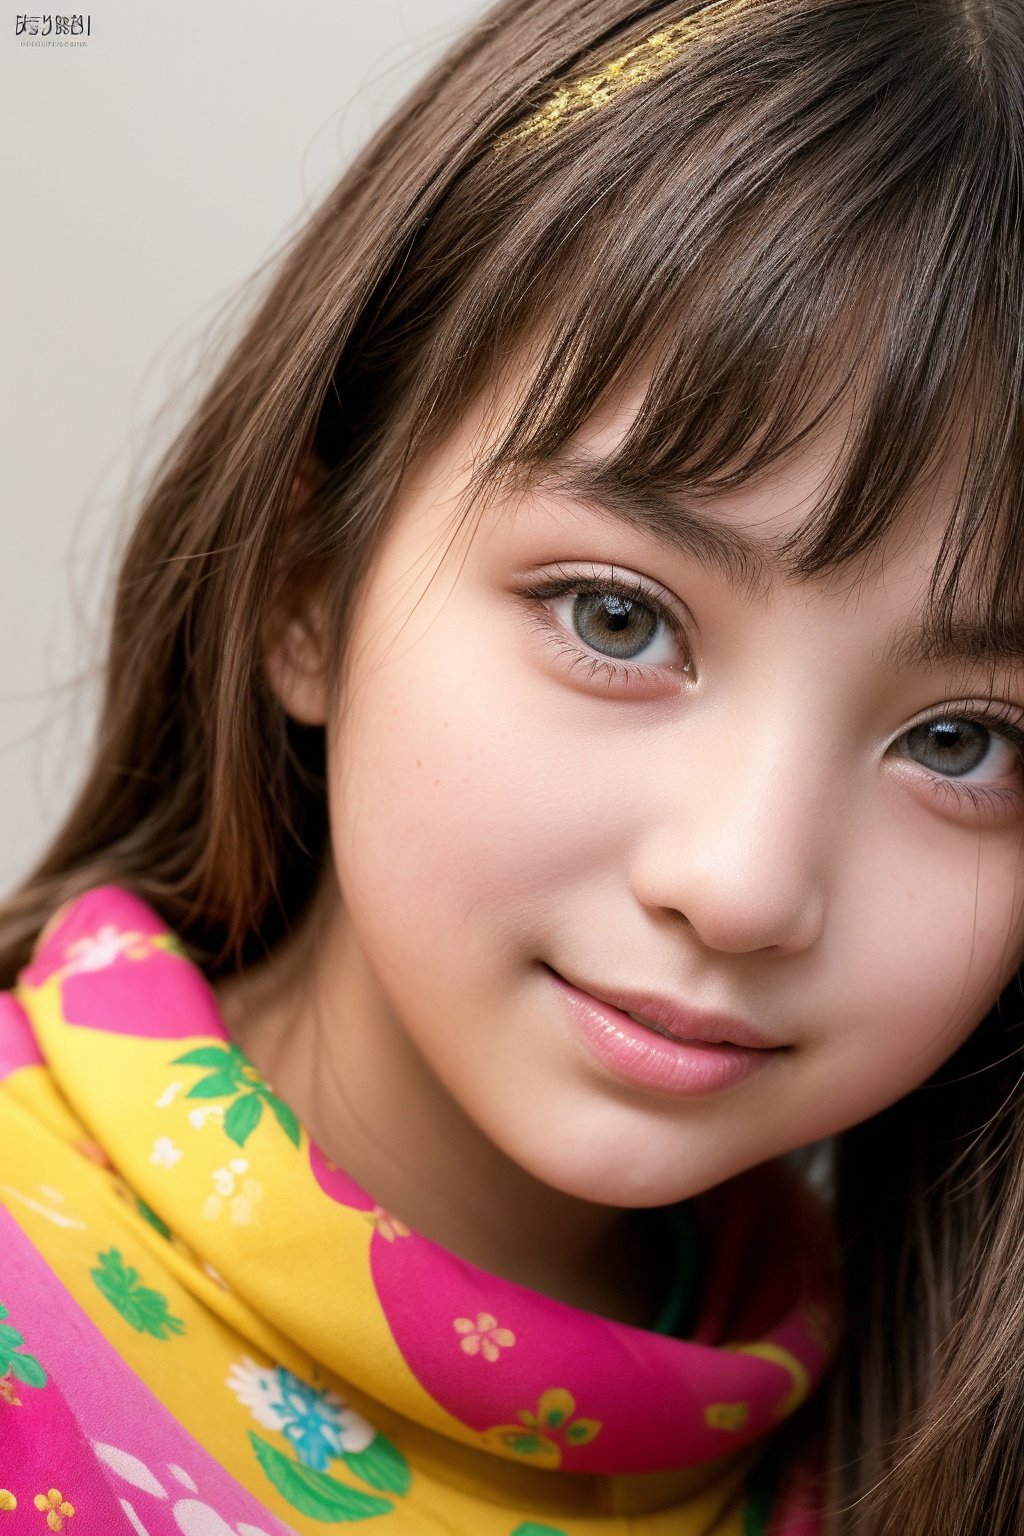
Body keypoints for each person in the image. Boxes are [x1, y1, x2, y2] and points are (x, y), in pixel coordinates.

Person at [2, 0, 1023, 1531]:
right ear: (304, 586)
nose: (741, 884)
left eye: (962, 741)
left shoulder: (928, 1445)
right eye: (618, 619)